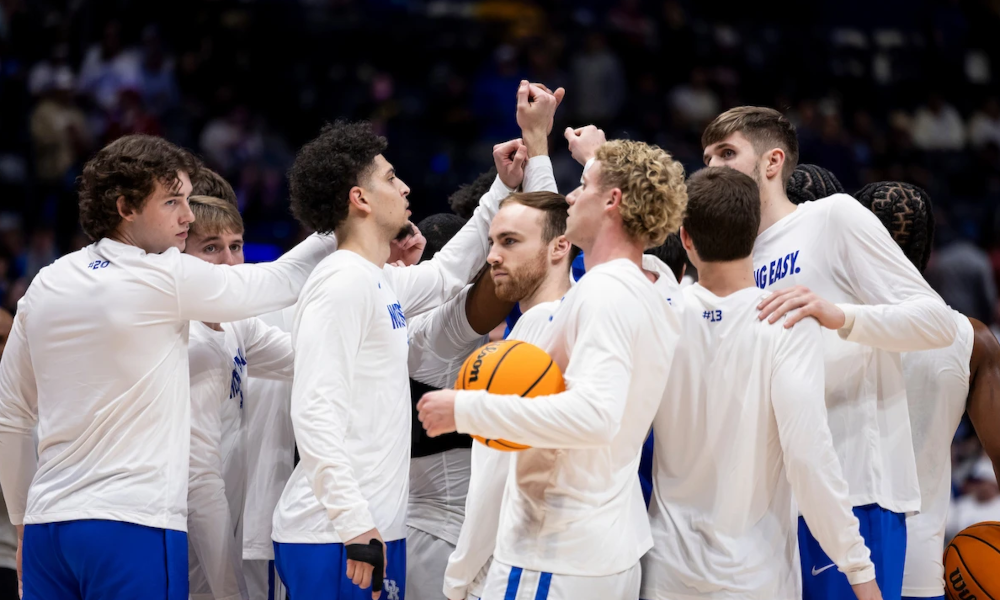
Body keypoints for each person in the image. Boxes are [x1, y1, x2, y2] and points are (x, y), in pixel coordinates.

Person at [0, 134, 337, 600]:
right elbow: (281, 279)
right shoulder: (161, 276)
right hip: (133, 524)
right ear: (125, 208)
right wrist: (342, 221)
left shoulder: (45, 283)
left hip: (46, 528)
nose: (188, 216)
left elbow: (12, 416)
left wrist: (21, 526)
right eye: (173, 201)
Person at [271, 80, 564, 600]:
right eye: (391, 177)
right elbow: (314, 412)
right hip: (335, 533)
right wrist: (355, 524)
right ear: (360, 198)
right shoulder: (340, 282)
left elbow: (451, 271)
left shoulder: (379, 280)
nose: (405, 187)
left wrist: (502, 187)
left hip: (377, 527)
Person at [700, 107, 957, 600]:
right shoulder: (732, 256)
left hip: (854, 487)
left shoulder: (833, 217)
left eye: (727, 153)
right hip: (770, 503)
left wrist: (840, 315)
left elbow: (937, 320)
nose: (713, 166)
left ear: (773, 162)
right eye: (707, 156)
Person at [418, 135, 687, 600]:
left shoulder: (605, 292)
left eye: (583, 185)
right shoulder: (655, 290)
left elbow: (594, 416)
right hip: (602, 548)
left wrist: (468, 409)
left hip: (554, 553)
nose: (571, 196)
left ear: (612, 201)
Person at [641, 166, 879, 600]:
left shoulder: (661, 309)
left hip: (664, 571)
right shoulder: (786, 321)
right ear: (756, 235)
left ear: (686, 239)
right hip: (754, 577)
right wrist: (859, 571)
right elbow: (809, 456)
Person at [407, 98, 560, 600]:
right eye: (490, 247)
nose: (495, 260)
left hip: (471, 538)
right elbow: (548, 254)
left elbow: (547, 254)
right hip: (441, 539)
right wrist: (537, 150)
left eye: (506, 244)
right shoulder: (433, 332)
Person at [852, 182, 1000, 600]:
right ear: (931, 248)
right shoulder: (973, 339)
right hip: (918, 563)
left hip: (823, 553)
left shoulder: (817, 321)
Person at [183, 195, 304, 600]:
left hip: (219, 531)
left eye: (236, 246)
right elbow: (197, 478)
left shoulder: (234, 325)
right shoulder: (183, 341)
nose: (230, 263)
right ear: (179, 256)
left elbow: (302, 359)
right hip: (183, 530)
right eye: (211, 248)